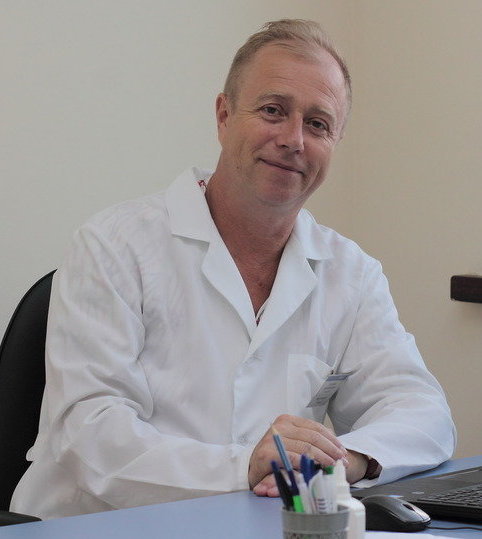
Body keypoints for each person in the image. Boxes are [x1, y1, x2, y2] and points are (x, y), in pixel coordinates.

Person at [11, 19, 455, 519]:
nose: (294, 139)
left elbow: (423, 412)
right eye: (272, 111)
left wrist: (344, 460)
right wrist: (244, 465)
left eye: (318, 124)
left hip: (259, 523)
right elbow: (89, 435)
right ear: (224, 116)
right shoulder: (112, 246)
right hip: (95, 524)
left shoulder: (351, 273)